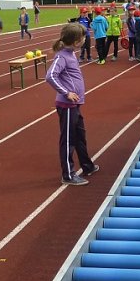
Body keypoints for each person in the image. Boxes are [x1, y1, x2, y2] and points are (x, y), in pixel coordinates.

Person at [46, 23, 100, 186]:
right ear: (77, 41)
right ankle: (68, 175)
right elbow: (50, 76)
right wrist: (66, 92)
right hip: (67, 106)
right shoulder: (62, 56)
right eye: (83, 37)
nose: (85, 39)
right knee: (68, 140)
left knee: (80, 137)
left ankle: (87, 165)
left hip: (75, 105)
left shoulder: (71, 53)